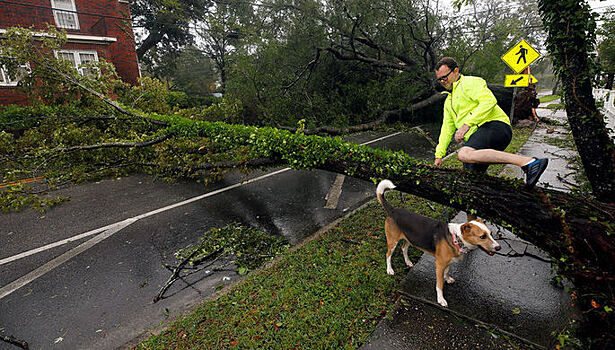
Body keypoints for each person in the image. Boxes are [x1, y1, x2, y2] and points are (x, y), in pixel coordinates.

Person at [433, 57, 548, 189]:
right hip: (478, 136)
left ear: (456, 71)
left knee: (463, 154)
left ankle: (529, 162)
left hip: (495, 126)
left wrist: (467, 125)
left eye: (445, 77)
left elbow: (489, 101)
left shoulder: (471, 82)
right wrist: (439, 155)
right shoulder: (448, 101)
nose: (442, 81)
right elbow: (446, 129)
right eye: (439, 79)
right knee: (472, 179)